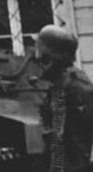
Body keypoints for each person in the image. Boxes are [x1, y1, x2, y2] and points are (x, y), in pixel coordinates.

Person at [34, 25, 93, 172]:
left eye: (42, 57)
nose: (37, 59)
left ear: (51, 58)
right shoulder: (60, 85)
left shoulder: (77, 88)